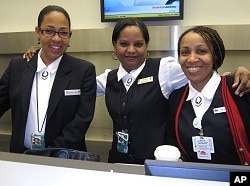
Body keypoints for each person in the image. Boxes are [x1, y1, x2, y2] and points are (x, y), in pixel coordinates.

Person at [23, 18, 250, 165]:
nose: (131, 50)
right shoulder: (107, 79)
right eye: (123, 44)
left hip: (157, 164)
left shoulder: (165, 69)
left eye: (139, 44)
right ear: (114, 47)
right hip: (119, 162)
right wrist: (46, 57)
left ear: (146, 46)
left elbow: (201, 70)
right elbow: (67, 86)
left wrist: (238, 73)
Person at [0, 5, 96, 154]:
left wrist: (51, 153)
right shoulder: (17, 67)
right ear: (38, 32)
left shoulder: (83, 71)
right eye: (49, 31)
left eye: (63, 32)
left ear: (70, 35)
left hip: (64, 158)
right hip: (21, 158)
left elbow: (82, 120)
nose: (56, 38)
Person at [167, 26, 250, 165]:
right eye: (185, 52)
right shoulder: (176, 98)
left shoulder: (239, 89)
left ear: (215, 56)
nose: (191, 59)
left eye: (201, 51)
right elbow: (174, 143)